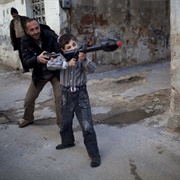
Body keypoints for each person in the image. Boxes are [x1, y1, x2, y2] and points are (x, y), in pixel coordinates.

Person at [47, 33, 101, 168]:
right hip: (66, 93)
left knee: (87, 124)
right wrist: (66, 63)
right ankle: (67, 142)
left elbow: (93, 68)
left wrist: (84, 60)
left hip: (81, 94)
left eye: (74, 45)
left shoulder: (82, 57)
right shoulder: (61, 58)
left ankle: (94, 155)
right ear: (63, 50)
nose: (72, 48)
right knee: (65, 120)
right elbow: (49, 64)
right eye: (68, 47)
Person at [18, 18, 61, 128]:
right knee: (28, 100)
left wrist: (54, 55)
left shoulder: (50, 35)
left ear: (39, 26)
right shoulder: (25, 42)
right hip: (39, 74)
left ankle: (62, 124)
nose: (36, 31)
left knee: (60, 98)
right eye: (32, 30)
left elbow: (61, 51)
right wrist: (37, 59)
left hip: (55, 72)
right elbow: (26, 62)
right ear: (27, 31)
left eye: (37, 28)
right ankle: (28, 118)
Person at [10, 7, 30, 73]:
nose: (13, 15)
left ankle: (33, 66)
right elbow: (12, 32)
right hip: (18, 40)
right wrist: (13, 42)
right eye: (12, 14)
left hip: (26, 39)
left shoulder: (24, 19)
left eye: (14, 13)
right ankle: (25, 68)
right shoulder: (12, 22)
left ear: (17, 13)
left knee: (30, 52)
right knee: (21, 55)